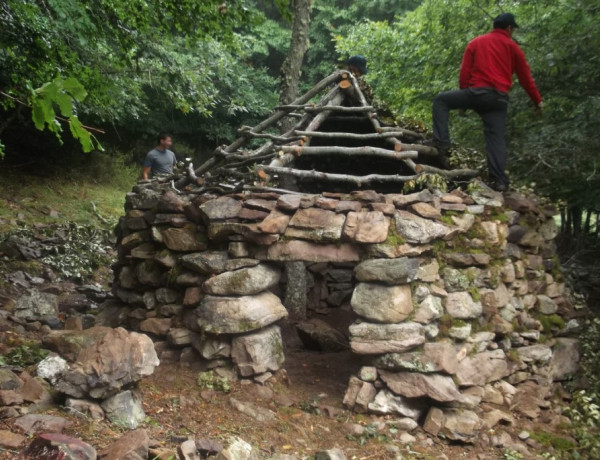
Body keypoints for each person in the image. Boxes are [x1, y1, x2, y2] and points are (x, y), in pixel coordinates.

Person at [430, 12, 543, 192]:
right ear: (509, 28)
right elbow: (525, 79)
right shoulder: (513, 48)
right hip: (498, 99)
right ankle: (499, 181)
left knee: (441, 101)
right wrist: (537, 101)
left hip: (476, 94)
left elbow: (464, 73)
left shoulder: (476, 43)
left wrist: (464, 102)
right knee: (495, 138)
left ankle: (442, 143)